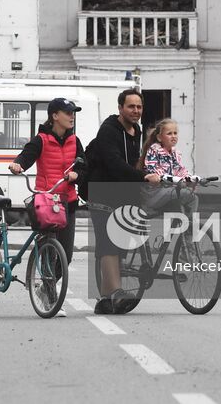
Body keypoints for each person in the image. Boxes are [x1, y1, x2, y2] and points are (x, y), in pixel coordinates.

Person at [86, 89, 160, 314]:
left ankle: (106, 300)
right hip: (101, 192)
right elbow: (114, 164)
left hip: (122, 193)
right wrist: (142, 177)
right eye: (131, 106)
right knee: (108, 242)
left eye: (139, 107)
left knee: (119, 244)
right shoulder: (109, 131)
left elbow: (133, 162)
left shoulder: (136, 130)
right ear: (120, 108)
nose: (136, 111)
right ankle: (116, 293)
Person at [8, 97, 83, 271]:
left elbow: (84, 166)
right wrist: (17, 164)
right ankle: (48, 290)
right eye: (68, 113)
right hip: (47, 201)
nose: (72, 117)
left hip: (68, 202)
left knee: (66, 256)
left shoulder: (75, 141)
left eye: (73, 113)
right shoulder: (41, 140)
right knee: (48, 250)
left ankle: (46, 285)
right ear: (55, 116)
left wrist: (77, 174)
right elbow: (26, 155)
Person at [140, 118, 199, 217]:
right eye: (169, 133)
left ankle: (189, 226)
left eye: (175, 133)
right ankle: (185, 224)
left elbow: (180, 170)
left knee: (193, 198)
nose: (173, 136)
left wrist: (190, 179)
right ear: (159, 137)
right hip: (154, 193)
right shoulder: (154, 150)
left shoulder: (175, 153)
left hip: (168, 190)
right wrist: (177, 181)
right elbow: (155, 172)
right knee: (184, 193)